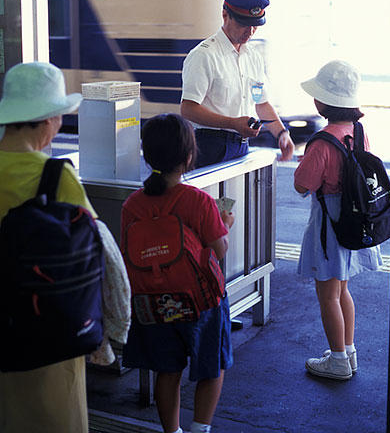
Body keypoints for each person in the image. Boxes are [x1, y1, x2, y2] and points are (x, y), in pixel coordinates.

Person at [0, 61, 131, 433]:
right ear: (48, 119)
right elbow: (100, 251)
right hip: (47, 334)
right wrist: (112, 332)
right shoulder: (55, 176)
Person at [121, 113, 234, 433]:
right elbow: (219, 249)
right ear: (188, 157)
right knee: (211, 368)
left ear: (147, 156)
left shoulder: (133, 204)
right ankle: (200, 428)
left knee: (166, 371)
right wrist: (225, 226)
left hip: (152, 305)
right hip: (201, 302)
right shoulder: (198, 201)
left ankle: (172, 430)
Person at [294, 60, 383, 380]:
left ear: (321, 102)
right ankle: (349, 351)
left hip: (329, 224)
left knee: (327, 294)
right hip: (354, 219)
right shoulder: (358, 133)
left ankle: (338, 360)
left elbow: (303, 184)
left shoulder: (321, 141)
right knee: (342, 289)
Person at [181, 0, 294, 168]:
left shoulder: (253, 57)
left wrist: (282, 134)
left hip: (241, 146)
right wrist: (233, 123)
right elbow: (188, 109)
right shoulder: (204, 55)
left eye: (255, 26)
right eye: (243, 25)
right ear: (225, 15)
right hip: (208, 146)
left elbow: (261, 102)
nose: (250, 32)